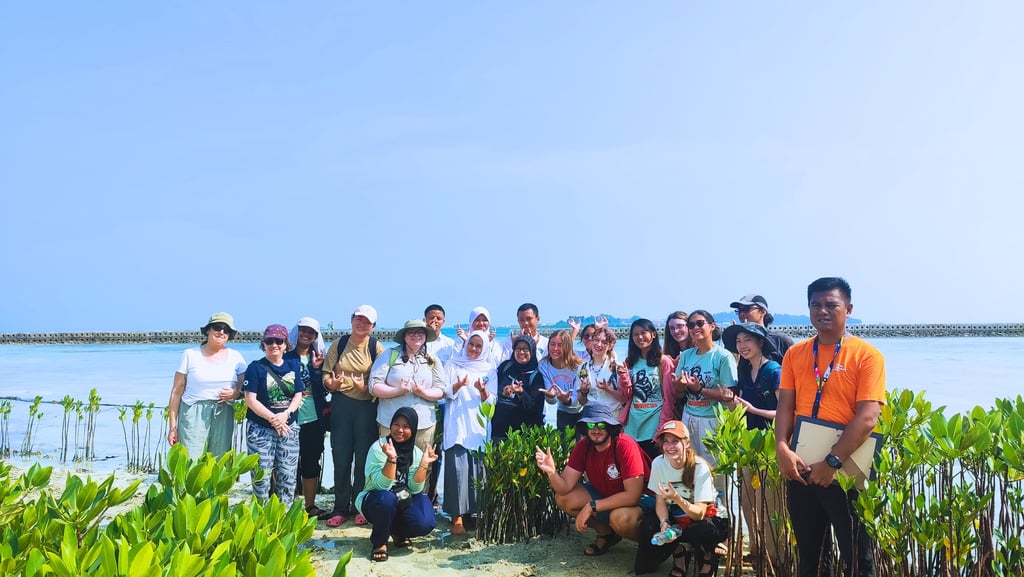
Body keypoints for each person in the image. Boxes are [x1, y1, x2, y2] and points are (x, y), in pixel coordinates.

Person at [775, 277, 886, 577]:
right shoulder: (795, 354)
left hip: (847, 468)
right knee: (811, 557)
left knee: (858, 559)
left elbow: (868, 417)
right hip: (801, 466)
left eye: (831, 305)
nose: (822, 311)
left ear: (848, 309)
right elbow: (785, 405)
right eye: (816, 305)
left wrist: (832, 462)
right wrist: (782, 447)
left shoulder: (867, 356)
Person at [534, 404, 651, 559]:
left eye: (601, 425)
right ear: (585, 428)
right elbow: (564, 488)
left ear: (610, 426)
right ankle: (607, 533)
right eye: (591, 425)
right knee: (563, 498)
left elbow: (633, 496)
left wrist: (591, 506)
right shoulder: (583, 446)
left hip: (642, 501)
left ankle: (655, 546)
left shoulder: (625, 445)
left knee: (620, 518)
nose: (596, 429)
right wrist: (552, 472)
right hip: (607, 494)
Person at [721, 322, 783, 568]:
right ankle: (756, 551)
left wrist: (755, 410)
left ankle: (774, 557)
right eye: (738, 341)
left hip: (771, 444)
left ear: (760, 342)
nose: (742, 346)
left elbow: (785, 413)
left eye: (747, 340)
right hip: (748, 443)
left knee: (770, 502)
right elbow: (738, 410)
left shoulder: (774, 371)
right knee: (748, 500)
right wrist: (729, 401)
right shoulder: (744, 370)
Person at [323, 305, 386, 527]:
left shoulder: (375, 347)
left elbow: (382, 378)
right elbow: (326, 375)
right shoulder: (338, 344)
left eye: (367, 321)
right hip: (341, 405)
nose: (361, 324)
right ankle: (340, 507)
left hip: (366, 407)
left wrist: (365, 388)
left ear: (373, 326)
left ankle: (360, 506)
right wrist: (331, 384)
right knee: (341, 456)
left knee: (363, 459)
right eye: (358, 319)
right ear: (351, 320)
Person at [357, 407, 438, 562]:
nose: (400, 430)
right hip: (375, 500)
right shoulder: (379, 448)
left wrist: (424, 464)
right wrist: (391, 459)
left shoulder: (416, 453)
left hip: (402, 499)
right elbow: (381, 486)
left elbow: (415, 488)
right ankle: (380, 542)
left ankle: (397, 532)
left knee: (425, 520)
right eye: (396, 425)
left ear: (413, 429)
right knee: (387, 499)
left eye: (406, 426)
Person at [650, 420, 730, 577]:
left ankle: (708, 558)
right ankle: (679, 553)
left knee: (700, 528)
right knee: (649, 525)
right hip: (679, 517)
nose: (670, 446)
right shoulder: (658, 463)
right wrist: (664, 522)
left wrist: (677, 498)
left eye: (675, 441)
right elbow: (660, 501)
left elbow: (700, 514)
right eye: (666, 441)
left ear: (686, 443)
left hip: (708, 518)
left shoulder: (700, 467)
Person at [167, 312, 247, 460]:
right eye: (217, 327)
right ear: (208, 330)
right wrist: (173, 427)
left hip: (224, 411)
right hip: (193, 411)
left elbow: (245, 389)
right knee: (190, 460)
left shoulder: (236, 357)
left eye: (226, 330)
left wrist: (235, 394)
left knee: (219, 461)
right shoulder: (190, 354)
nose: (221, 332)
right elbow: (176, 392)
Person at [442, 330, 497, 535]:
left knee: (478, 472)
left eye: (478, 346)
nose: (474, 349)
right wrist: (458, 385)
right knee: (457, 470)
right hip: (457, 424)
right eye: (471, 344)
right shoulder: (453, 364)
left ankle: (474, 513)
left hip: (478, 425)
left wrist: (482, 390)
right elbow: (445, 392)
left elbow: (493, 401)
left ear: (484, 348)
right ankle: (457, 516)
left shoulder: (490, 369)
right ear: (465, 345)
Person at [243, 324, 304, 504]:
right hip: (260, 428)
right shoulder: (255, 368)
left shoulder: (293, 366)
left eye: (279, 341)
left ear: (286, 344)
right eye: (269, 341)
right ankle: (260, 515)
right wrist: (273, 419)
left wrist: (286, 414)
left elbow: (298, 395)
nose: (274, 345)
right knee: (261, 478)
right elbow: (250, 400)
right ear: (263, 344)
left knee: (288, 477)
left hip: (288, 427)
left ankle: (284, 515)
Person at [675, 311, 738, 469]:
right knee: (690, 467)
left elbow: (729, 395)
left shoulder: (723, 356)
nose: (695, 327)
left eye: (700, 323)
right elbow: (679, 391)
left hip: (713, 419)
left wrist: (700, 389)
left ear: (712, 326)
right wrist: (680, 384)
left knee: (715, 469)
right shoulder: (686, 355)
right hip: (689, 416)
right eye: (691, 325)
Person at [369, 320, 446, 449]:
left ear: (426, 336)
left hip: (423, 424)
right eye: (411, 332)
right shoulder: (390, 355)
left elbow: (440, 390)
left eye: (420, 332)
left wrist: (423, 393)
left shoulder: (432, 359)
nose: (416, 335)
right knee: (389, 459)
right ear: (404, 337)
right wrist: (397, 391)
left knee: (421, 460)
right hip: (391, 423)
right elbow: (373, 386)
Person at [285, 317, 329, 520]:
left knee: (311, 461)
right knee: (286, 462)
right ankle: (287, 505)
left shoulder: (319, 357)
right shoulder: (285, 356)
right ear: (297, 331)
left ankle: (310, 505)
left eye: (311, 332)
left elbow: (324, 390)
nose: (306, 334)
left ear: (316, 336)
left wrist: (317, 369)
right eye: (303, 330)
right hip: (289, 418)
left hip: (313, 417)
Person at [622, 318, 677, 458]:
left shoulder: (663, 362)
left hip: (654, 425)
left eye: (643, 332)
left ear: (653, 334)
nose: (640, 337)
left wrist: (662, 428)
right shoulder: (629, 362)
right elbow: (627, 395)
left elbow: (669, 398)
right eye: (635, 334)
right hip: (632, 425)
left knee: (655, 465)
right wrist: (623, 377)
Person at [423, 303, 456, 504]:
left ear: (444, 321)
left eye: (439, 318)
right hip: (421, 400)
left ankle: (432, 491)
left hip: (443, 402)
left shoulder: (450, 344)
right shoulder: (419, 340)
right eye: (431, 317)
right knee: (421, 445)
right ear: (425, 319)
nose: (434, 321)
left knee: (438, 446)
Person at [491, 334, 545, 442]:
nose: (521, 352)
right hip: (498, 432)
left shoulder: (536, 376)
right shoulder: (505, 366)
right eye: (518, 348)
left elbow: (536, 408)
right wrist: (503, 393)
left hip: (522, 437)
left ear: (532, 351)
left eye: (526, 349)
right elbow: (492, 392)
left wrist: (521, 392)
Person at [538, 329, 585, 432]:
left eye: (560, 345)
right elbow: (552, 400)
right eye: (552, 344)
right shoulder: (543, 365)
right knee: (565, 441)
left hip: (582, 411)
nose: (555, 348)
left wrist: (567, 400)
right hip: (562, 412)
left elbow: (581, 399)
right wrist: (549, 397)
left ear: (568, 347)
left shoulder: (579, 365)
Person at [577, 326, 630, 417]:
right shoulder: (582, 368)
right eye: (596, 340)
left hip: (613, 417)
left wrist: (608, 389)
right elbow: (582, 402)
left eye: (604, 342)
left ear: (610, 346)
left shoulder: (617, 367)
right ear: (592, 341)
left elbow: (625, 398)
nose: (599, 344)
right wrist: (583, 391)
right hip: (591, 417)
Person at [729, 294, 794, 363]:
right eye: (739, 310)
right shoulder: (737, 343)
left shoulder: (780, 341)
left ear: (762, 311)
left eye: (746, 309)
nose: (742, 314)